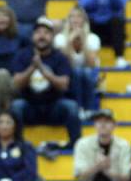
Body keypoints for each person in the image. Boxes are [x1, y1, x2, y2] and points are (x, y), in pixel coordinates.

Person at [11, 17, 80, 148]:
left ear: (52, 37)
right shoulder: (23, 55)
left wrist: (43, 70)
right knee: (16, 107)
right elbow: (17, 83)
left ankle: (75, 146)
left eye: (46, 33)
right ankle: (17, 144)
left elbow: (63, 85)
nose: (42, 36)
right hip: (30, 106)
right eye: (38, 33)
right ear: (32, 37)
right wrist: (32, 68)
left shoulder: (60, 57)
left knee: (72, 107)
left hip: (53, 107)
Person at [55, 5, 102, 114]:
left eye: (79, 17)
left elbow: (91, 64)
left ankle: (89, 110)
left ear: (84, 20)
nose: (75, 20)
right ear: (68, 20)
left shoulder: (93, 38)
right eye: (72, 17)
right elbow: (64, 63)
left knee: (83, 72)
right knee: (76, 72)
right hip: (67, 75)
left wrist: (84, 41)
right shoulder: (59, 38)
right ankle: (79, 108)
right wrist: (69, 41)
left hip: (88, 74)